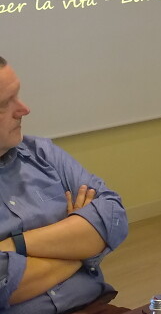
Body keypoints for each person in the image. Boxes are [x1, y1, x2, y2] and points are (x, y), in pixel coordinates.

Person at [0, 56, 129, 313]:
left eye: (18, 95)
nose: (24, 109)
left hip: (94, 307)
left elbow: (114, 216)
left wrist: (15, 245)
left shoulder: (42, 153)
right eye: (4, 103)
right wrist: (77, 246)